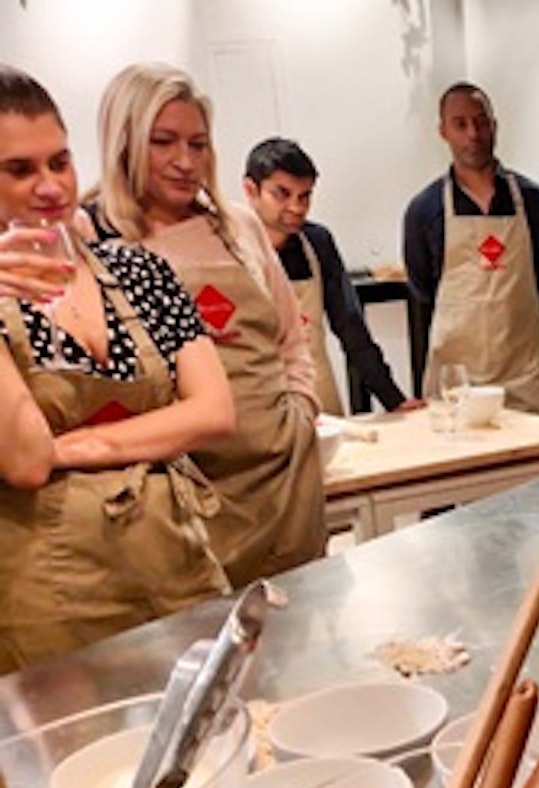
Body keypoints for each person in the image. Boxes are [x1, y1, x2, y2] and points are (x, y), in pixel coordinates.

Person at [0, 65, 233, 672]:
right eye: (19, 170)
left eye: (59, 161)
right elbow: (25, 458)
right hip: (52, 600)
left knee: (213, 741)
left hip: (176, 565)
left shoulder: (140, 271)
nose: (50, 186)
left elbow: (212, 410)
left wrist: (79, 446)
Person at [86, 62, 327, 589]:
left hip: (283, 480)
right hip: (183, 496)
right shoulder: (93, 236)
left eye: (198, 144)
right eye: (164, 141)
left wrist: (301, 411)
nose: (185, 161)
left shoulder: (236, 225)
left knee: (299, 640)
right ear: (123, 141)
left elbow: (290, 336)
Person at [403, 82, 539, 414]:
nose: (472, 133)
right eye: (460, 124)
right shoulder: (424, 210)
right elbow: (423, 287)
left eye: (481, 121)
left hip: (524, 375)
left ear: (494, 125)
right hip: (457, 382)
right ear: (443, 131)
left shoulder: (536, 202)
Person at [243, 137, 421, 415]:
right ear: (251, 190)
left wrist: (394, 400)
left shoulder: (317, 242)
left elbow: (350, 327)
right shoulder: (230, 250)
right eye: (282, 193)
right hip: (259, 406)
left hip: (319, 399)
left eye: (304, 196)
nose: (296, 207)